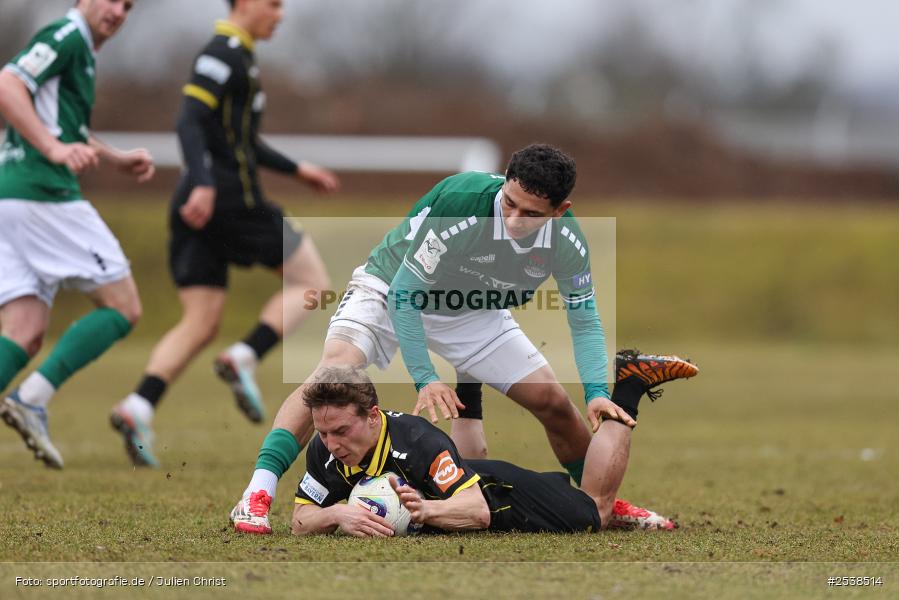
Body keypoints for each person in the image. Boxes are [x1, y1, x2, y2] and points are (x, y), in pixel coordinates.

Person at [230, 146, 698, 535]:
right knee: (334, 371)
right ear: (504, 184)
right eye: (509, 203)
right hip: (391, 287)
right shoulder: (461, 203)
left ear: (561, 212)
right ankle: (258, 493)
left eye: (531, 214)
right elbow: (406, 298)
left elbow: (585, 318)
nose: (514, 219)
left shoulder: (567, 242)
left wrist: (596, 392)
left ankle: (598, 504)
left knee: (555, 402)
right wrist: (425, 378)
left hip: (472, 309)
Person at [109, 0, 340, 467]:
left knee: (201, 320)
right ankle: (246, 356)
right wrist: (205, 181)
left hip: (200, 202)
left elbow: (241, 142)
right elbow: (188, 118)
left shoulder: (241, 56)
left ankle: (139, 405)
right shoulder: (223, 52)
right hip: (229, 201)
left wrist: (298, 170)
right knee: (314, 284)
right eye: (273, 4)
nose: (281, 14)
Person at [0, 0, 155, 470]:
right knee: (123, 306)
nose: (118, 10)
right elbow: (7, 83)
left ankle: (28, 396)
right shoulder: (66, 36)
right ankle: (31, 399)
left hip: (12, 197)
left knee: (24, 332)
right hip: (43, 194)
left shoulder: (82, 49)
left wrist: (113, 157)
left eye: (128, 5)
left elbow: (66, 129)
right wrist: (51, 149)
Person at [291, 366, 682, 536]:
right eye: (323, 432)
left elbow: (476, 511)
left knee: (595, 510)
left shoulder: (418, 441)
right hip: (462, 476)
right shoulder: (324, 450)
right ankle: (469, 364)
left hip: (503, 495)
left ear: (373, 416)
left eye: (341, 430)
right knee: (457, 468)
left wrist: (425, 511)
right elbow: (299, 518)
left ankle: (629, 386)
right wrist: (337, 514)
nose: (331, 443)